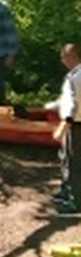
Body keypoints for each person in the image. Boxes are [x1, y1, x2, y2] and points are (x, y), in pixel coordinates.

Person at [50, 42, 81, 215]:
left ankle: (75, 203)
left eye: (63, 57)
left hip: (76, 126)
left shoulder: (74, 77)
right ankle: (68, 194)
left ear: (70, 56)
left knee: (73, 164)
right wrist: (48, 106)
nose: (62, 61)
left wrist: (63, 127)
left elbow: (71, 105)